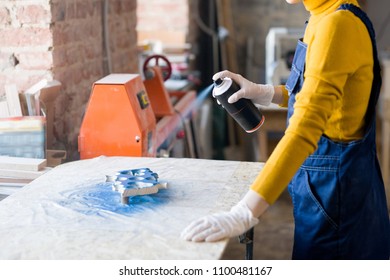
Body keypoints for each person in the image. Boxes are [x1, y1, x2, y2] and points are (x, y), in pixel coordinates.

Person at [181, 0, 390, 259]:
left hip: (337, 195)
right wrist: (263, 92)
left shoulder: (338, 25)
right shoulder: (322, 15)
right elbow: (318, 95)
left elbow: (305, 128)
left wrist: (245, 211)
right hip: (329, 188)